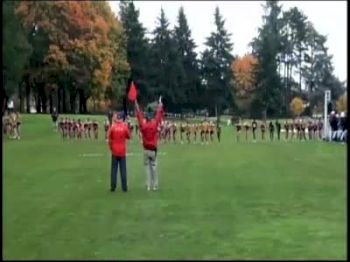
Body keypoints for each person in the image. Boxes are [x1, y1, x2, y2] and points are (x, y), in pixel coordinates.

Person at [135, 99, 163, 191]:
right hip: (153, 149)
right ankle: (155, 185)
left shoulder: (143, 126)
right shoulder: (154, 124)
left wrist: (136, 105)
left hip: (146, 149)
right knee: (154, 168)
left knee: (147, 168)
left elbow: (139, 116)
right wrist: (160, 106)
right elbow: (158, 116)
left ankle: (148, 185)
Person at [107, 112, 131, 192]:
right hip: (122, 151)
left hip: (114, 151)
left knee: (114, 170)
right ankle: (124, 187)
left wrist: (111, 148)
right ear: (122, 119)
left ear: (117, 118)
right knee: (123, 170)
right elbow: (129, 136)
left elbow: (109, 139)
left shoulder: (113, 127)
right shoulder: (124, 127)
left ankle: (113, 187)